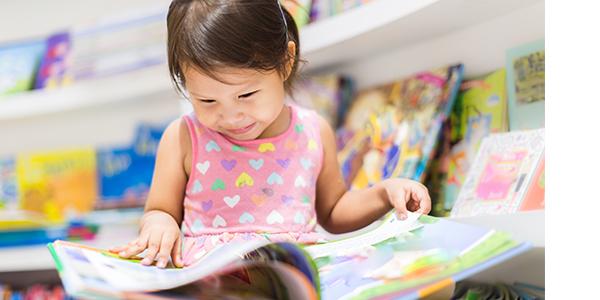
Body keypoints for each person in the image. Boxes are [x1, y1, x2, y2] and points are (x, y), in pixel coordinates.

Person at [111, 0, 431, 269]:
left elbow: (333, 213)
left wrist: (383, 193)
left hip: (294, 277)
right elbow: (159, 210)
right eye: (206, 100)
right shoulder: (183, 137)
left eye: (247, 95)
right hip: (213, 281)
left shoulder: (313, 132)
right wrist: (160, 224)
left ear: (286, 61)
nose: (230, 115)